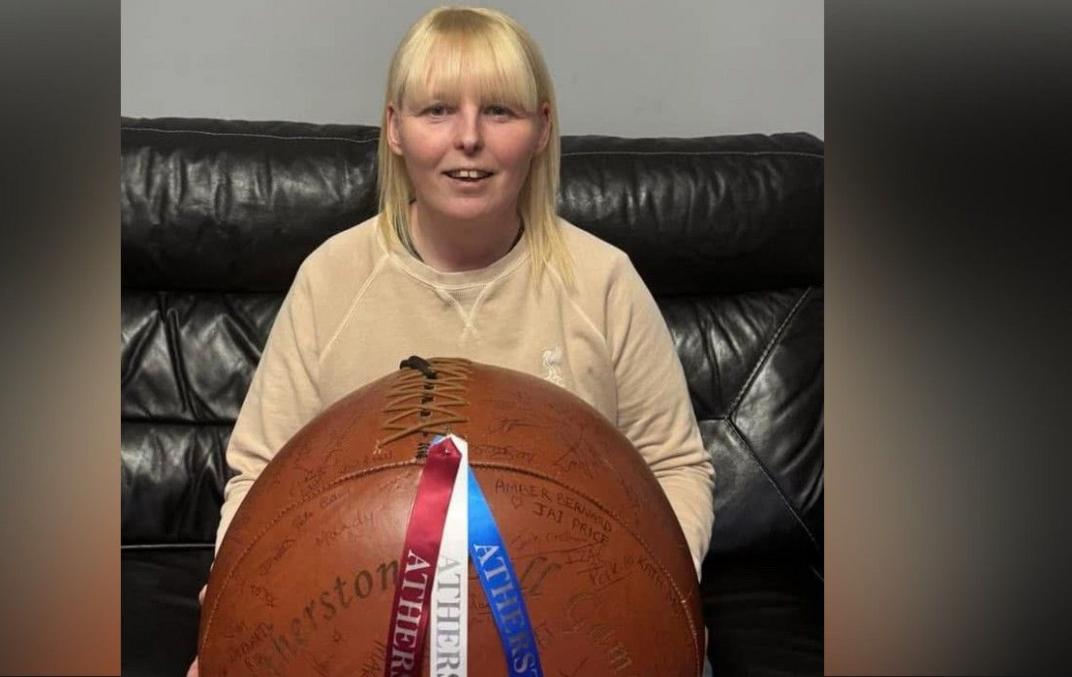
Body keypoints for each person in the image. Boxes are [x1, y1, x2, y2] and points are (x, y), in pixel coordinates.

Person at [188, 6, 714, 676]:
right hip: (358, 623)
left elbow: (675, 467)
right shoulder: (331, 277)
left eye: (500, 110)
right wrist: (239, 602)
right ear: (395, 129)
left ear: (542, 128)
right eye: (437, 110)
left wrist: (639, 592)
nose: (469, 138)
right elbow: (260, 471)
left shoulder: (603, 280)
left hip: (575, 630)